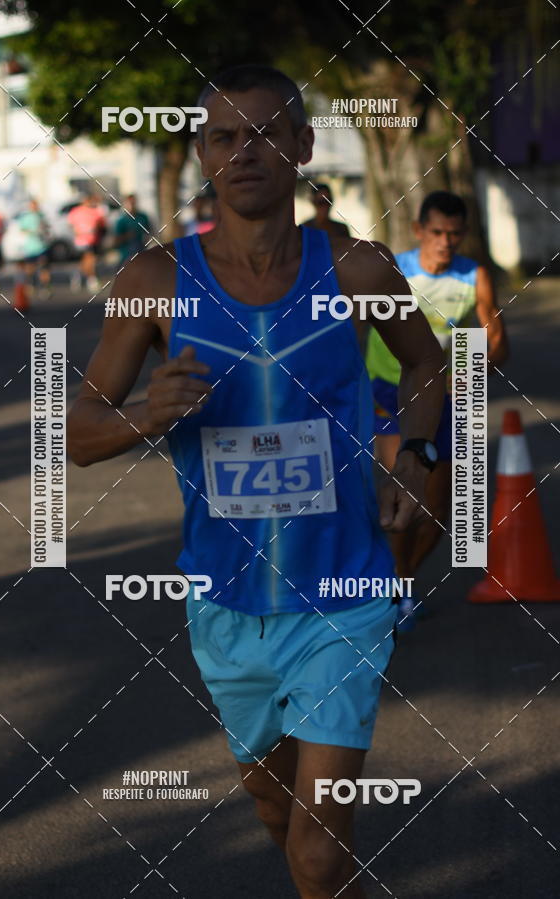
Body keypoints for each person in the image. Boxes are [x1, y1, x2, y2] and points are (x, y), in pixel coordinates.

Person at [67, 65, 445, 899]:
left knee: (317, 846)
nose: (246, 151)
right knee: (276, 810)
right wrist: (144, 414)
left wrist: (417, 456)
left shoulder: (357, 270)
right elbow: (79, 433)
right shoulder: (154, 284)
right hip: (226, 603)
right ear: (203, 156)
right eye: (225, 137)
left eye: (267, 133)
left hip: (344, 588)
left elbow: (427, 362)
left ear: (303, 146)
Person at [365, 190, 509, 631]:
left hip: (445, 398)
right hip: (388, 392)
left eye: (455, 234)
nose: (445, 242)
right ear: (418, 231)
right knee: (397, 496)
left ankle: (401, 585)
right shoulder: (392, 272)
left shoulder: (473, 275)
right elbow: (353, 327)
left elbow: (497, 342)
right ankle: (391, 593)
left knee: (438, 513)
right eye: (436, 233)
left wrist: (467, 368)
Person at [67, 193, 107, 292]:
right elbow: (71, 224)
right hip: (81, 241)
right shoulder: (76, 211)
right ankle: (92, 280)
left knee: (87, 261)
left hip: (93, 240)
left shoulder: (96, 211)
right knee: (90, 259)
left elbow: (103, 225)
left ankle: (77, 275)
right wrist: (76, 231)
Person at [16, 198, 52, 299]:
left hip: (43, 247)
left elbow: (48, 229)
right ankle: (31, 284)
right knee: (30, 269)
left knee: (44, 267)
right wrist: (32, 232)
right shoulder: (26, 217)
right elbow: (22, 229)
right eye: (32, 205)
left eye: (35, 205)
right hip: (31, 248)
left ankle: (45, 287)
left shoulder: (42, 216)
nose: (34, 207)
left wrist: (44, 231)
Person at [114, 193, 151, 268]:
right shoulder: (121, 221)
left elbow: (149, 232)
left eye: (133, 203)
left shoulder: (143, 217)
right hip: (126, 255)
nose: (132, 205)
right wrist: (128, 236)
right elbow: (116, 241)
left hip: (141, 252)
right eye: (129, 203)